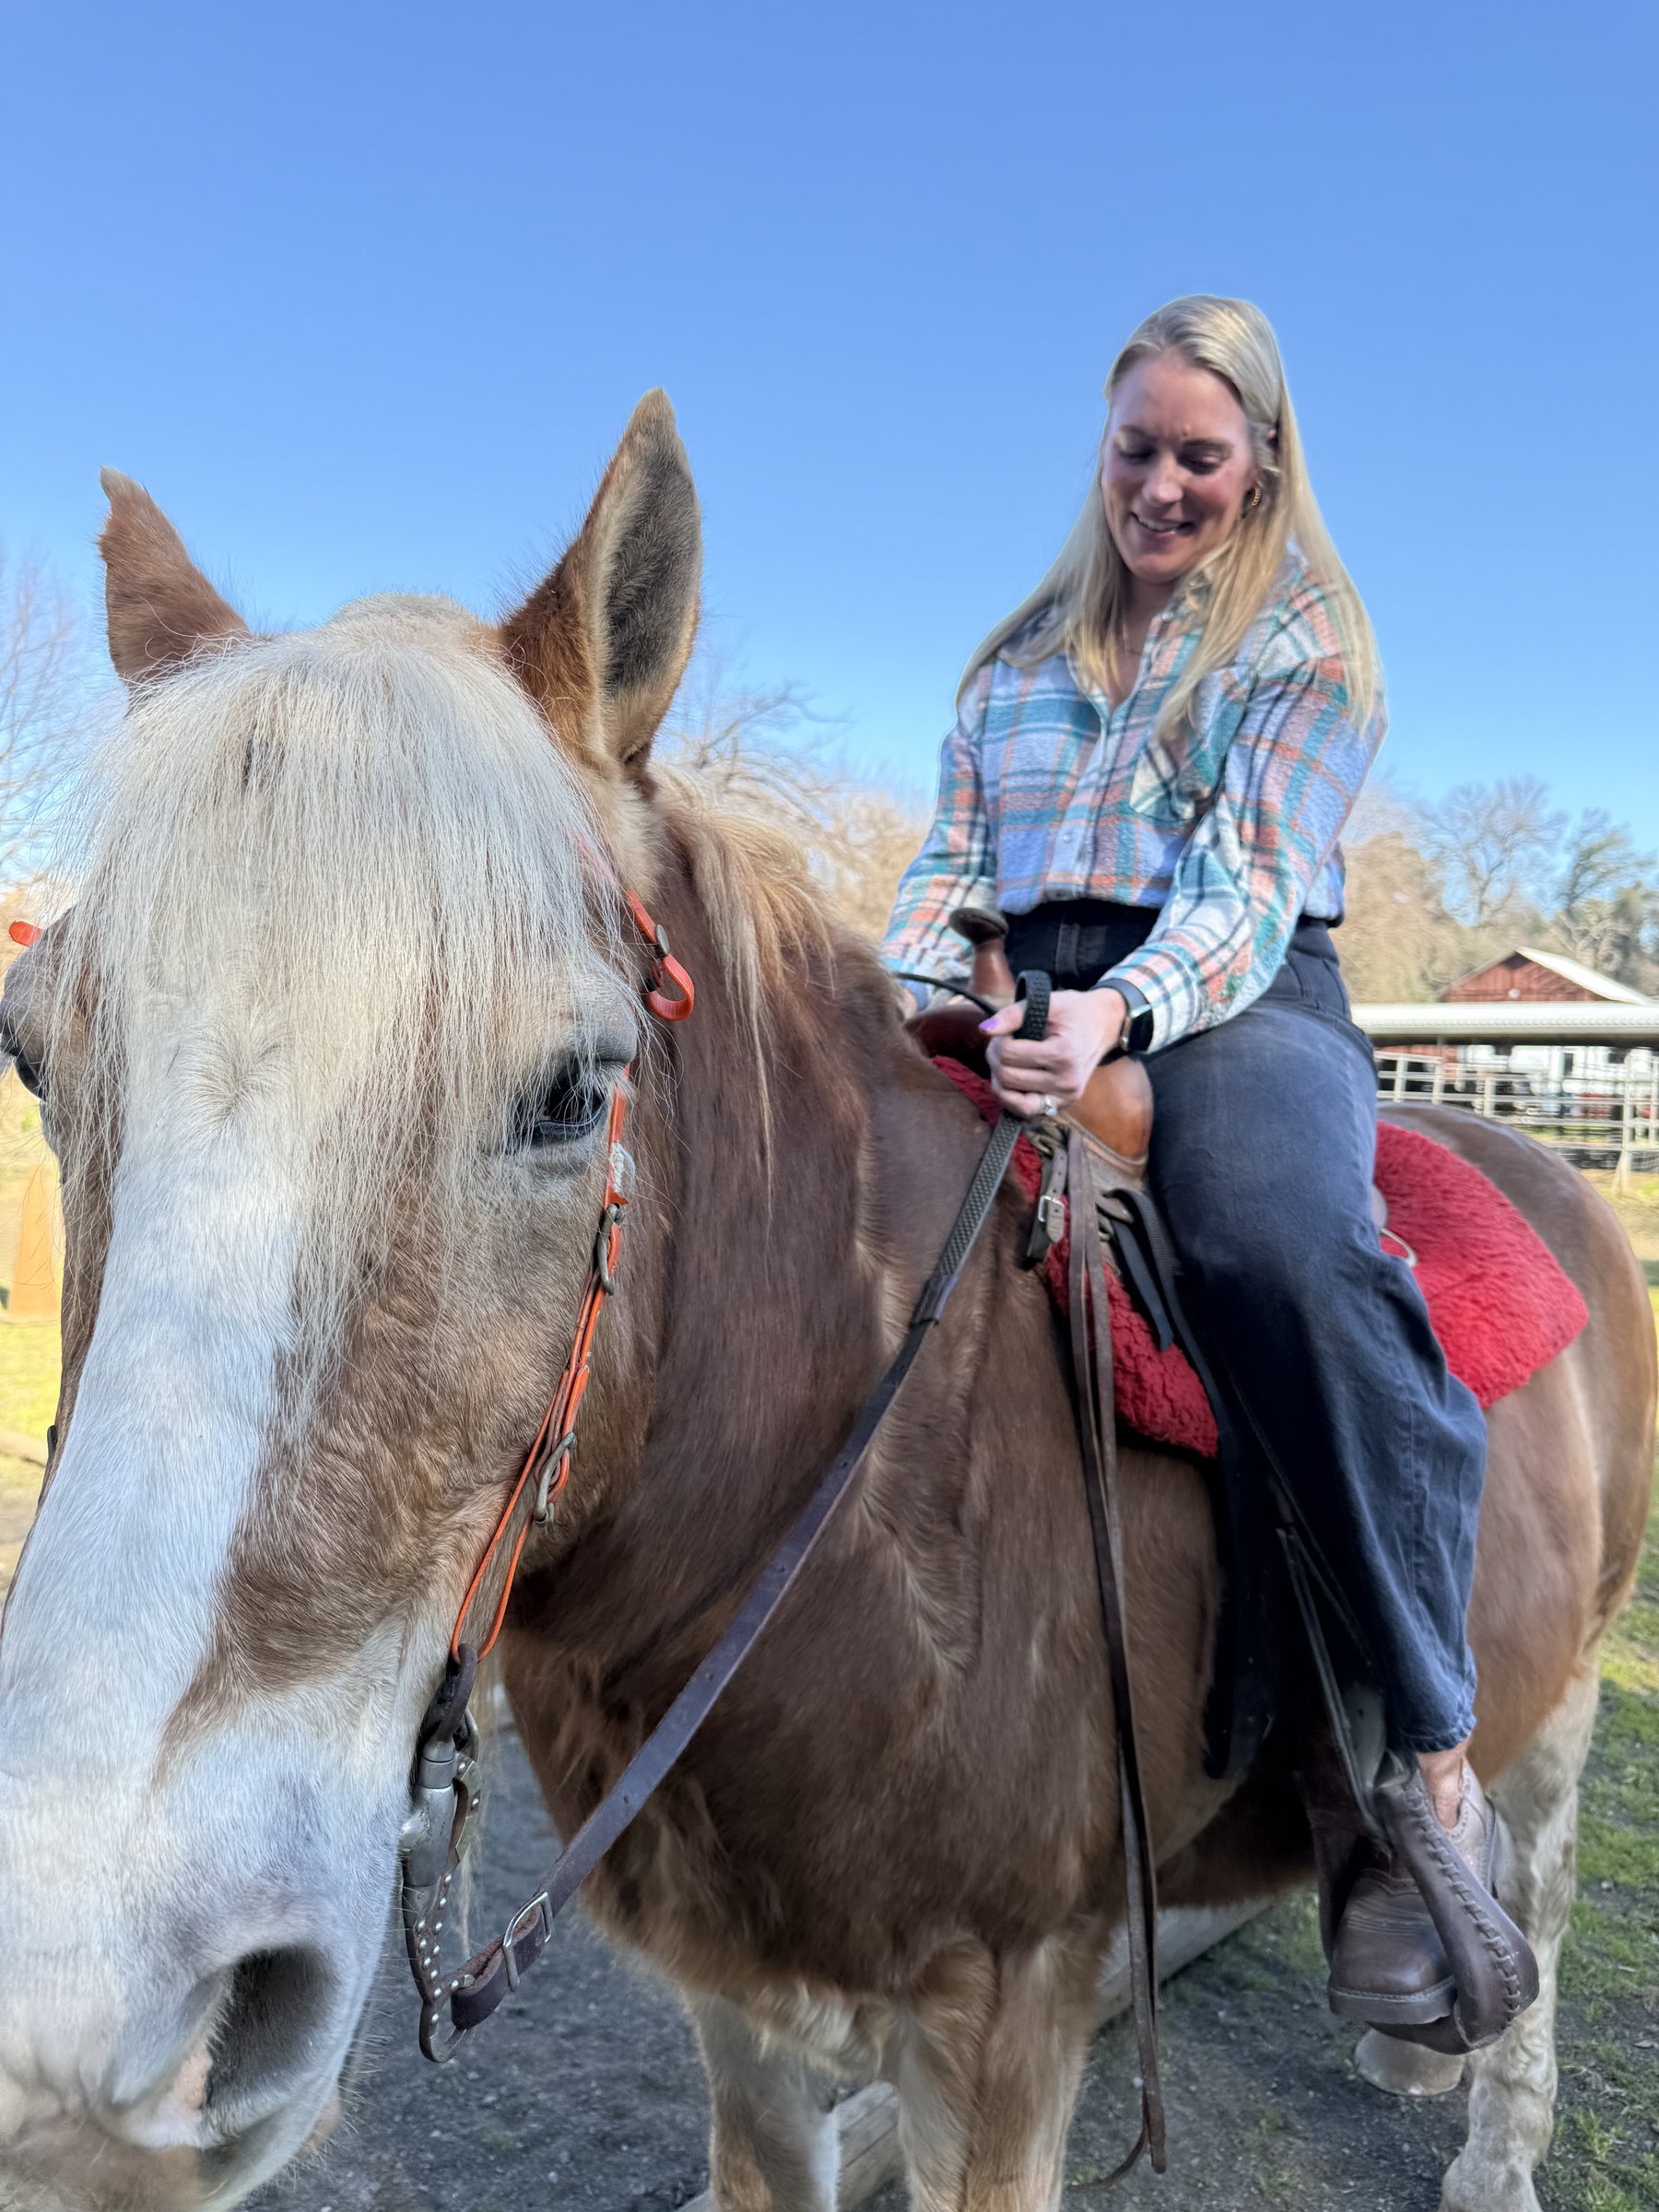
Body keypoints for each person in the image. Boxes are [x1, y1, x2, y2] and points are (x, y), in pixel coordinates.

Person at [882, 294, 1515, 2036]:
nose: (1161, 485)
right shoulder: (1012, 664)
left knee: (1274, 1248)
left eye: (1200, 456)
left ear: (1264, 462)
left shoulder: (1306, 635)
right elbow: (944, 874)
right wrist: (943, 994)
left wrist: (1113, 1019)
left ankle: (1419, 1755)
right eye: (1135, 448)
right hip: (1031, 983)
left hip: (1230, 994)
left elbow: (1245, 891)